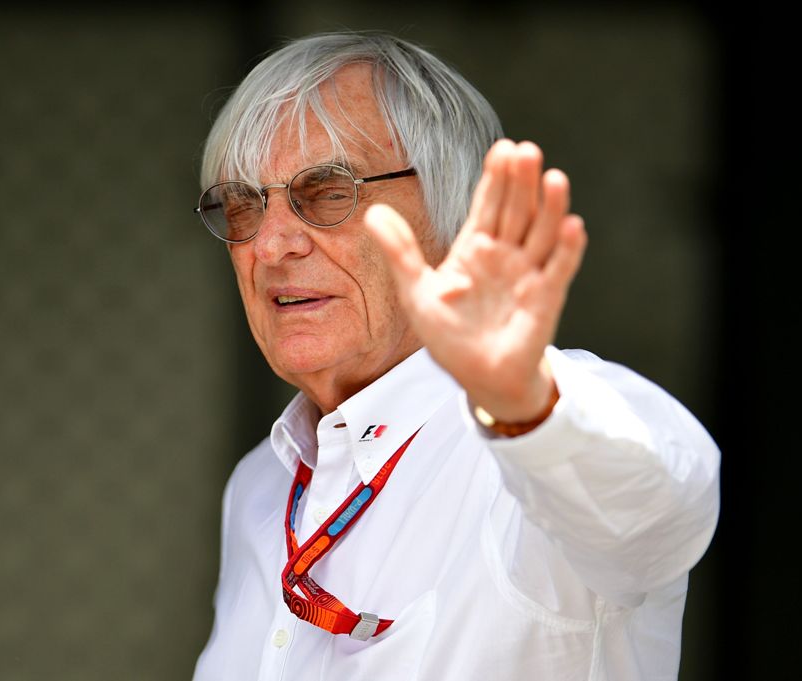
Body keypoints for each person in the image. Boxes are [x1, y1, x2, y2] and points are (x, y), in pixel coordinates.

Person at [191, 31, 720, 681]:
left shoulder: (535, 436)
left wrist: (526, 408)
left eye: (327, 192)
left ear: (453, 214)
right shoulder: (259, 486)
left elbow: (662, 508)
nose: (269, 244)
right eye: (241, 204)